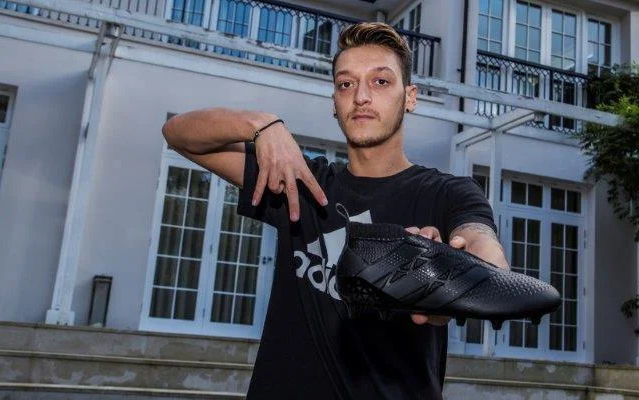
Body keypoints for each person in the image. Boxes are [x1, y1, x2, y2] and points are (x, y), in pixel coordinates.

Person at [162, 22, 509, 400]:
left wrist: (450, 282)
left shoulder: (447, 192)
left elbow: (485, 253)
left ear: (409, 97)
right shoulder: (299, 182)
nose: (361, 96)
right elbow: (177, 134)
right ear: (334, 102)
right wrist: (259, 124)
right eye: (346, 84)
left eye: (380, 82)